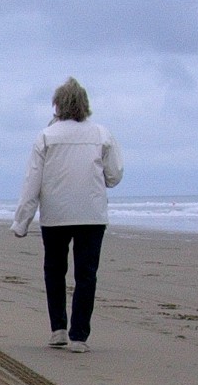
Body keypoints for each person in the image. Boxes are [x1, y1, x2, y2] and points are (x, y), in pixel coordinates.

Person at [11, 77, 123, 353]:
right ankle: (79, 336)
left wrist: (21, 221)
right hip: (91, 214)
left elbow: (32, 182)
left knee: (55, 271)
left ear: (57, 106)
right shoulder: (101, 134)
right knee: (86, 274)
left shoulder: (46, 137)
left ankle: (58, 328)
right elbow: (114, 175)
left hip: (56, 215)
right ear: (85, 105)